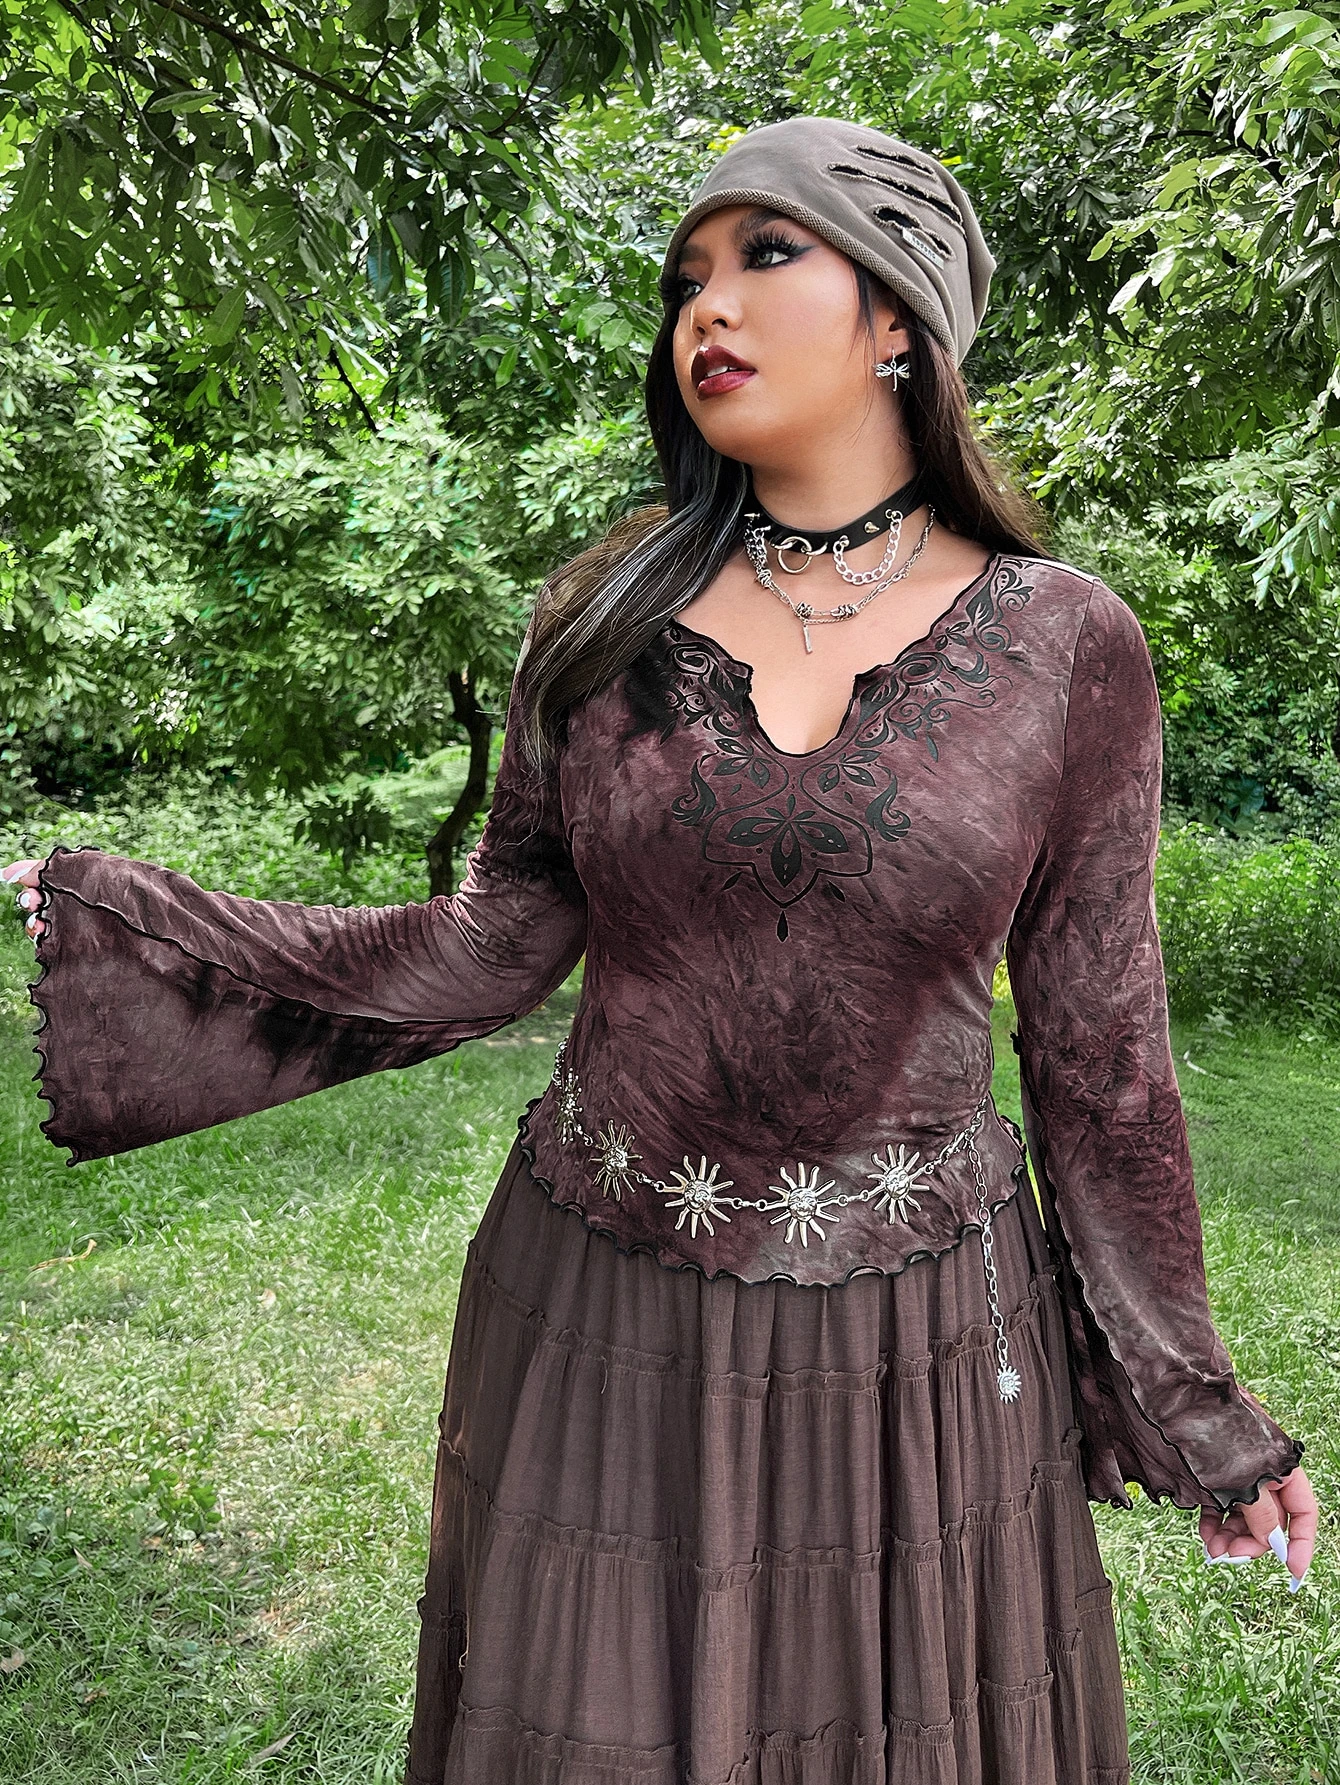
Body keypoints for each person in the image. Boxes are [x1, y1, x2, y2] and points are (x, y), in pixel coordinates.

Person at [5, 115, 1317, 1785]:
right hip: (609, 1299)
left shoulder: (1069, 646)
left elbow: (1102, 1055)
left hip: (916, 1340)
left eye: (767, 255)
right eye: (689, 276)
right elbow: (493, 939)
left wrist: (1195, 1403)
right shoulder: (604, 616)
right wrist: (143, 934)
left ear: (899, 316)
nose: (711, 306)